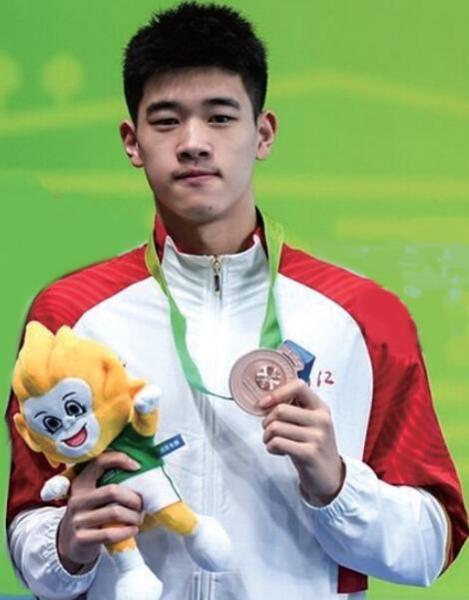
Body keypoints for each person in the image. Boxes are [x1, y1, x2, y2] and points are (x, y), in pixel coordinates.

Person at [5, 2, 468, 599]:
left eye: (220, 117)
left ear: (263, 133)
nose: (194, 143)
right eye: (166, 121)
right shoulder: (70, 316)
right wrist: (69, 543)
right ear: (132, 141)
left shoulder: (364, 316)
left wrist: (336, 484)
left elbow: (433, 546)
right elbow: (28, 531)